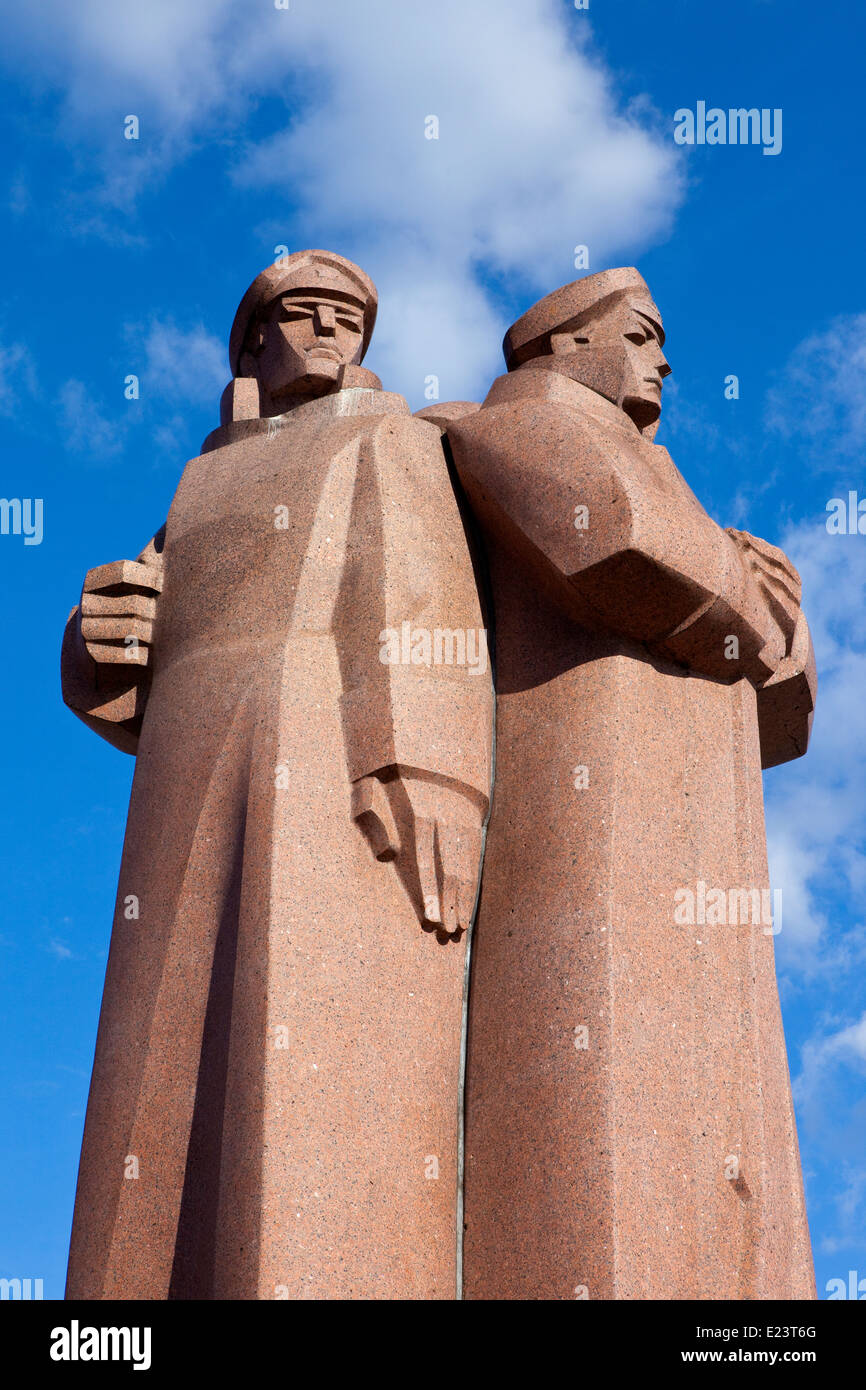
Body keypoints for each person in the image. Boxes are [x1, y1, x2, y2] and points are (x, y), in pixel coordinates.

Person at [62, 250, 492, 1299]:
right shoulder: (200, 477)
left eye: (348, 318)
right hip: (182, 761)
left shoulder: (385, 438)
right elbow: (140, 628)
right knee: (158, 1057)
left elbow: (418, 596)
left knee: (298, 1042)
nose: (330, 331)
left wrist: (426, 766)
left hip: (318, 739)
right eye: (303, 312)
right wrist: (94, 648)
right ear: (252, 340)